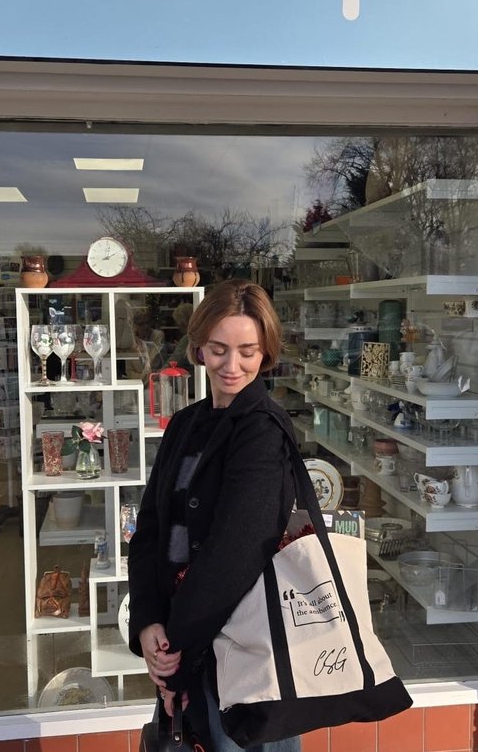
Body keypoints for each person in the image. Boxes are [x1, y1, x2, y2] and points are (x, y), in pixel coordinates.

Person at [127, 280, 300, 752]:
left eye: (247, 350)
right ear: (199, 347)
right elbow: (149, 531)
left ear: (266, 352)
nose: (232, 365)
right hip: (182, 646)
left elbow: (235, 553)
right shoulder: (186, 423)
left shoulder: (262, 431)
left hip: (241, 652)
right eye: (219, 349)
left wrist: (176, 655)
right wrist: (147, 624)